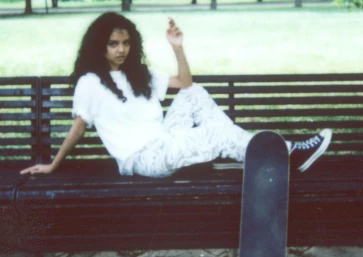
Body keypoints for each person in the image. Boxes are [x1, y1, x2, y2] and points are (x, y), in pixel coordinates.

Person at [20, 12, 332, 178]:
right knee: (215, 133)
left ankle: (250, 151)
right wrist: (53, 164)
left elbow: (184, 82)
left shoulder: (139, 73)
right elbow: (78, 127)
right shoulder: (89, 82)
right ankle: (286, 153)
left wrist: (177, 47)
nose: (121, 50)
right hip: (146, 158)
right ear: (99, 45)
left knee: (195, 93)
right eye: (113, 43)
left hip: (166, 139)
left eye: (126, 43)